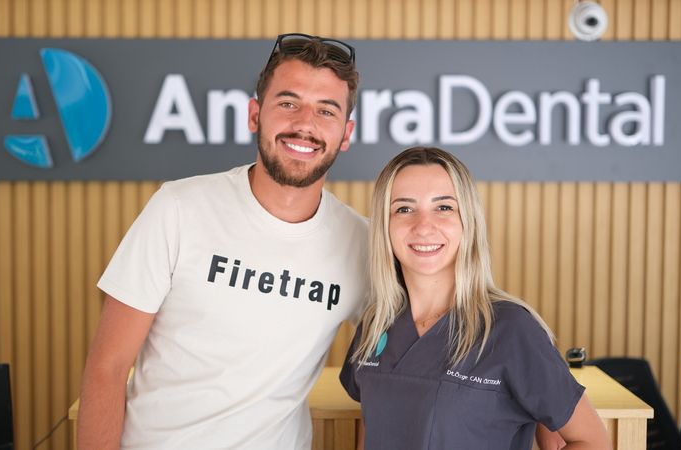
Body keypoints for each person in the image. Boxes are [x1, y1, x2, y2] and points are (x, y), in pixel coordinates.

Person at [77, 33, 368, 450]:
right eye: (288, 103)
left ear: (346, 133)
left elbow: (411, 359)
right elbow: (107, 367)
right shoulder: (177, 208)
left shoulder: (361, 243)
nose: (305, 123)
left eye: (326, 110)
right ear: (255, 115)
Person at [340, 147, 611, 450]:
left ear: (468, 221)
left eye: (443, 207)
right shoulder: (376, 326)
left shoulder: (511, 329)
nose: (423, 225)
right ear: (384, 227)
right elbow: (371, 427)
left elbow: (592, 441)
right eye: (404, 209)